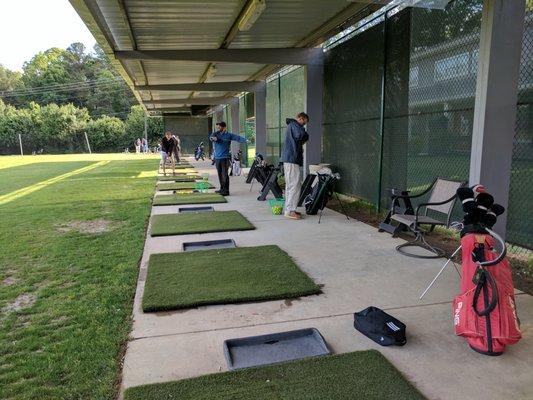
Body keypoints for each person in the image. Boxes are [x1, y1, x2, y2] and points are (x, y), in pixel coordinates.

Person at [280, 112, 309, 220]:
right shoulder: (295, 125)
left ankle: (289, 209)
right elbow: (301, 135)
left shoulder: (292, 125)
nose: (303, 126)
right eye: (304, 123)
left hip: (289, 159)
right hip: (292, 159)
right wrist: (305, 134)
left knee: (290, 185)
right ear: (300, 119)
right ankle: (290, 211)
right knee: (295, 185)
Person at [209, 121, 247, 196]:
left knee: (224, 174)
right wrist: (214, 139)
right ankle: (222, 188)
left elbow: (237, 138)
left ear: (224, 127)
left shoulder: (229, 135)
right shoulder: (216, 134)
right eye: (218, 126)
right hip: (217, 158)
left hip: (225, 158)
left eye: (219, 126)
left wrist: (245, 140)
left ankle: (226, 191)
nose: (218, 127)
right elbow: (211, 138)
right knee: (220, 174)